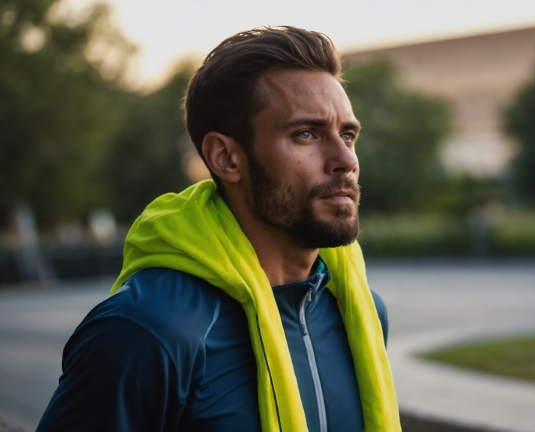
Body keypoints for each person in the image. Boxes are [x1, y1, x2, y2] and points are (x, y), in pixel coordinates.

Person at [37, 26, 400, 432]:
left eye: (348, 135)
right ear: (226, 158)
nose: (344, 160)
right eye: (305, 134)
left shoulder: (362, 312)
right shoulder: (148, 332)